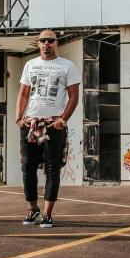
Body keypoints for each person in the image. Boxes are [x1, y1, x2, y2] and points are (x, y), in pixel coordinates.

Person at [15, 29, 80, 227]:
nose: (46, 44)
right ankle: (32, 208)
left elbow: (74, 96)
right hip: (31, 123)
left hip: (53, 124)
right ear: (38, 44)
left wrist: (63, 120)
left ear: (56, 43)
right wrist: (19, 119)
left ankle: (46, 213)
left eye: (50, 41)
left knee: (52, 170)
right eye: (43, 40)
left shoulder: (67, 66)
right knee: (28, 168)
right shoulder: (30, 65)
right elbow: (23, 95)